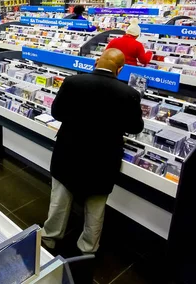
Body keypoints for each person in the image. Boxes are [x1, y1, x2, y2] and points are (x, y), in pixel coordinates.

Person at [41, 48, 144, 255]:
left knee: (60, 200)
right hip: (104, 158)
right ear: (121, 69)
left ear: (96, 62)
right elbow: (135, 128)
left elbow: (57, 112)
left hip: (69, 151)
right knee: (96, 206)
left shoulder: (72, 82)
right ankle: (88, 247)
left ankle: (50, 238)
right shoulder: (130, 94)